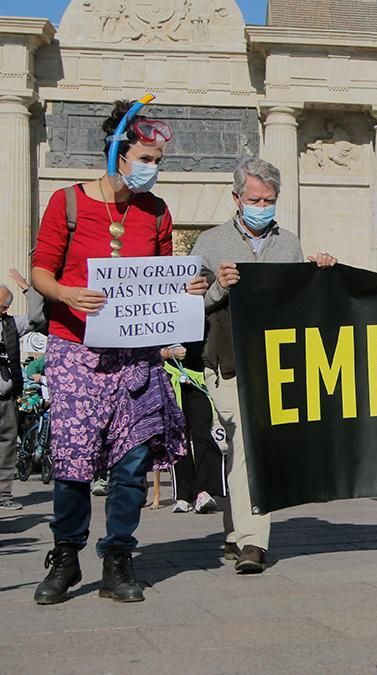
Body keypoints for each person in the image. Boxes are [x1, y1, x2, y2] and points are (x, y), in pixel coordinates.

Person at [30, 100, 207, 604]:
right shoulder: (67, 203)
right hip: (76, 352)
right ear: (117, 153)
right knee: (73, 463)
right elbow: (42, 269)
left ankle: (119, 558)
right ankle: (65, 556)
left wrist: (186, 289)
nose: (152, 168)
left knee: (131, 464)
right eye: (145, 157)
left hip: (134, 356)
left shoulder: (156, 212)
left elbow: (162, 278)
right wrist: (65, 294)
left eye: (159, 161)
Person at [191, 157, 338, 574]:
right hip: (227, 361)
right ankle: (240, 533)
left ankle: (251, 541)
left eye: (269, 200)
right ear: (237, 198)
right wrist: (220, 285)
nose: (262, 205)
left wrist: (318, 274)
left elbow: (297, 302)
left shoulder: (288, 242)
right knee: (240, 447)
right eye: (255, 199)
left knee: (250, 449)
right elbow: (189, 305)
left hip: (273, 364)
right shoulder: (209, 243)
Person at [0, 282, 46, 511]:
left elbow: (38, 319)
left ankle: (3, 495)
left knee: (7, 448)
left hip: (6, 398)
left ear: (4, 308)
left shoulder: (11, 324)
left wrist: (29, 290)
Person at [162, 343, 223, 515]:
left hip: (200, 374)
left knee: (203, 430)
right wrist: (166, 353)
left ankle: (204, 491)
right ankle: (183, 494)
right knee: (178, 435)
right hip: (171, 373)